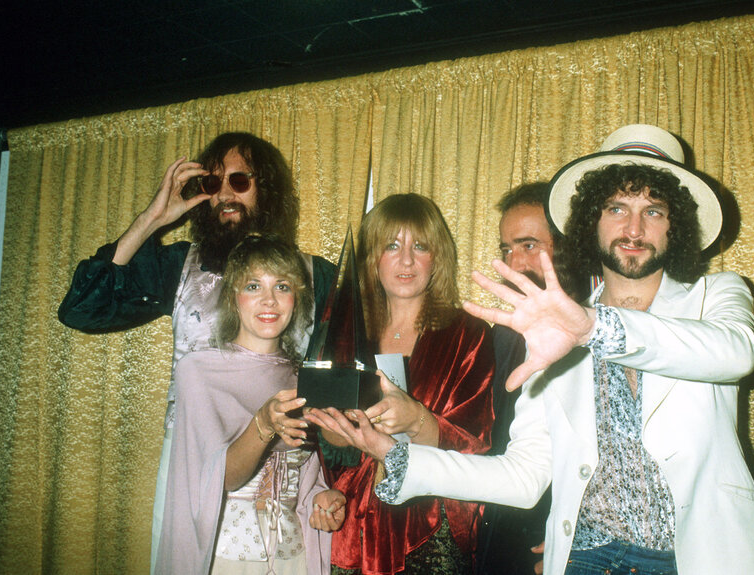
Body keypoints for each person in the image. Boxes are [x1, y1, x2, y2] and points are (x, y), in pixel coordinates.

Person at [311, 125, 754, 574]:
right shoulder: (553, 330)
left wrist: (591, 326)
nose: (634, 227)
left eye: (654, 211)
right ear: (589, 223)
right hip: (587, 560)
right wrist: (393, 453)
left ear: (675, 225)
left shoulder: (716, 294)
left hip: (703, 555)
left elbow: (735, 353)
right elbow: (521, 476)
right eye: (617, 208)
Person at [56, 132, 336, 570]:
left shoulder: (314, 276)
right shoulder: (181, 265)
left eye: (240, 181)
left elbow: (345, 378)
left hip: (279, 472)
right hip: (190, 459)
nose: (224, 193)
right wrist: (152, 218)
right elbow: (82, 308)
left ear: (268, 189)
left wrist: (326, 485)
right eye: (212, 183)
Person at [305, 193, 495, 575]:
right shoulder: (342, 333)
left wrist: (417, 421)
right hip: (354, 528)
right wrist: (338, 439)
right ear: (372, 258)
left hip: (429, 529)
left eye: (419, 246)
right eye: (391, 245)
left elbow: (477, 449)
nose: (406, 260)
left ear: (436, 257)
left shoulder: (468, 334)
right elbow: (326, 448)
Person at [156, 235, 344, 574]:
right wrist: (263, 425)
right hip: (226, 559)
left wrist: (322, 498)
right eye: (254, 286)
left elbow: (305, 478)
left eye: (282, 286)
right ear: (233, 297)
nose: (269, 300)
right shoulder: (197, 373)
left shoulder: (305, 380)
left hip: (292, 560)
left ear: (296, 298)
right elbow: (220, 479)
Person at [479, 182, 563, 575]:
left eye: (529, 245)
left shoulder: (597, 329)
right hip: (501, 532)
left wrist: (576, 537)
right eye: (506, 249)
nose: (514, 264)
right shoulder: (500, 335)